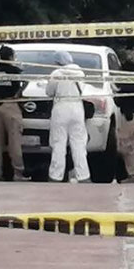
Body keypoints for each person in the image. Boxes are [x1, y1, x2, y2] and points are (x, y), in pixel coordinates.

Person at [45, 51, 90, 183]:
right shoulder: (80, 73)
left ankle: (56, 175)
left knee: (59, 143)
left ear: (57, 62)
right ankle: (83, 175)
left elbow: (49, 92)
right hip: (77, 108)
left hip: (60, 108)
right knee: (79, 143)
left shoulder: (56, 74)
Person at [0, 46, 29, 181]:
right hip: (11, 105)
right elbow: (18, 89)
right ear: (11, 57)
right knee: (14, 142)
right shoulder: (15, 71)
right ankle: (18, 173)